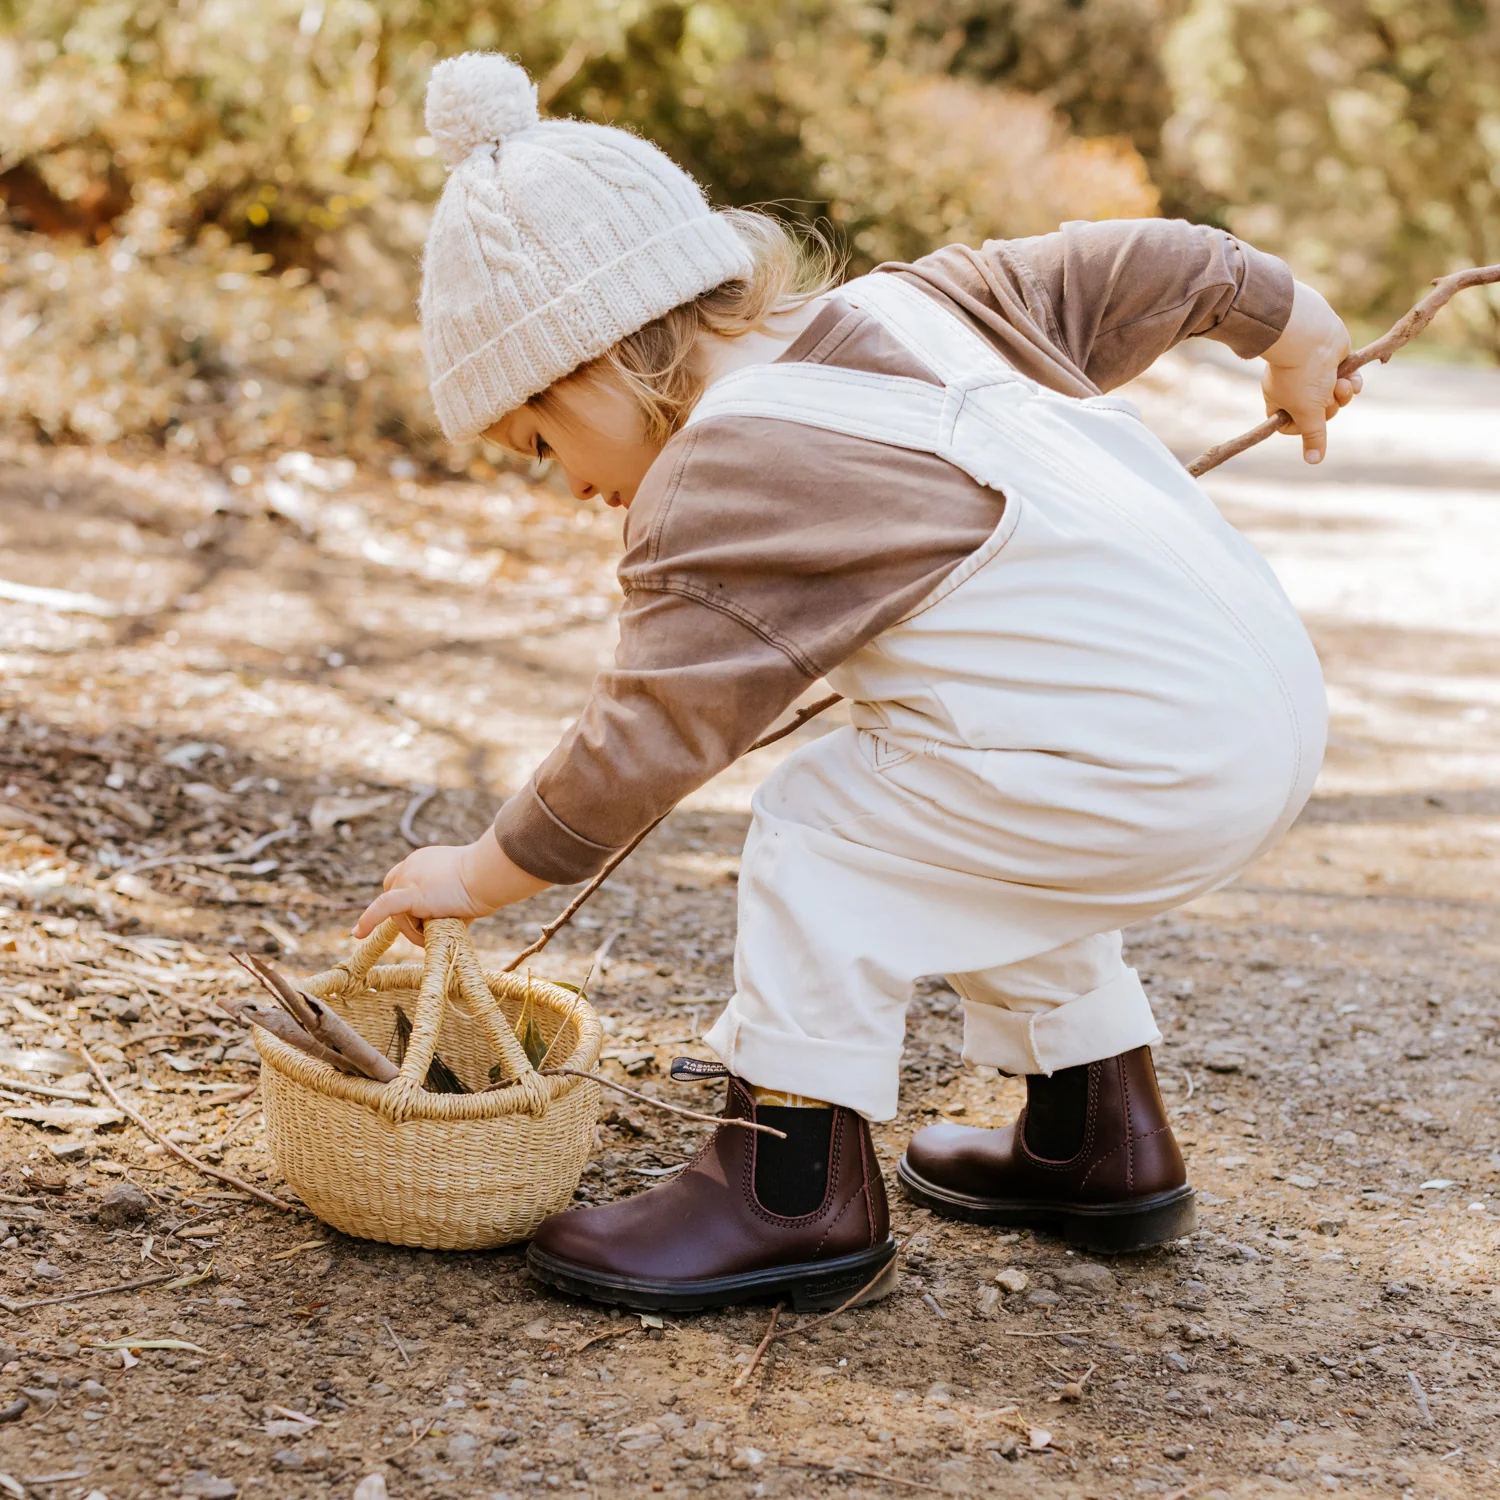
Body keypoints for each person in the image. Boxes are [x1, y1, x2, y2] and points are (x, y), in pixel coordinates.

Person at [355, 52, 1359, 1312]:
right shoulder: (939, 298)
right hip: (1252, 722)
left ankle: (787, 1193)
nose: (568, 485)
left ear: (591, 363)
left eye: (540, 440)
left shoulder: (721, 472)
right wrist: (1293, 327)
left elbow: (647, 732)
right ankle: (1093, 1129)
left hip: (1147, 763)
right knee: (967, 802)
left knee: (824, 822)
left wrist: (482, 872)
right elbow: (1154, 262)